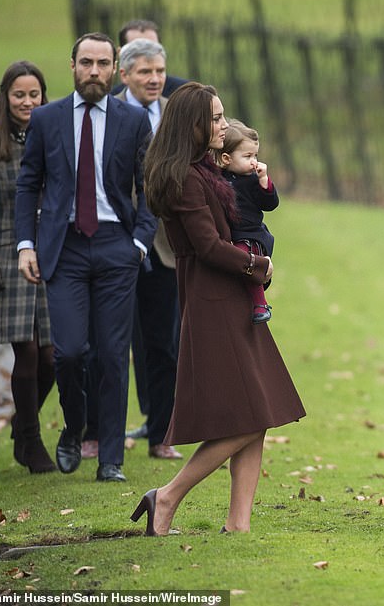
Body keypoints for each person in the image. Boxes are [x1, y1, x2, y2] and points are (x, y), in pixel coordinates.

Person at [130, 82, 305, 535]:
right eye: (216, 118)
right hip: (213, 298)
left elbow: (250, 208)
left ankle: (238, 524)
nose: (224, 125)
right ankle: (166, 497)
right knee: (253, 412)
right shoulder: (184, 178)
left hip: (234, 293)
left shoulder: (205, 168)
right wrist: (256, 264)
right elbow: (207, 246)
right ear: (193, 125)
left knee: (258, 411)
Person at [15, 32, 157, 482]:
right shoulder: (47, 119)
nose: (93, 71)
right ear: (72, 66)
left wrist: (139, 241)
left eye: (102, 64)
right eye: (85, 63)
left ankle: (112, 458)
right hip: (65, 249)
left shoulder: (133, 121)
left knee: (114, 355)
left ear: (115, 69)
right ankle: (74, 428)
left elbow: (149, 186)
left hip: (117, 245)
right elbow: (28, 184)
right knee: (70, 352)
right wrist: (25, 244)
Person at [82, 37, 182, 461]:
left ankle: (162, 435)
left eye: (159, 71)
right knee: (105, 343)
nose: (155, 79)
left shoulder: (176, 116)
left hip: (164, 246)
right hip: (115, 242)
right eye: (145, 72)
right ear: (124, 75)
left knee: (164, 343)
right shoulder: (109, 115)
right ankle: (97, 434)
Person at [0, 61, 55, 474]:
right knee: (27, 351)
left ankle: (22, 424)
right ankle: (32, 442)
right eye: (18, 94)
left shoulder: (53, 139)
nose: (26, 101)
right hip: (5, 258)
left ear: (43, 96)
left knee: (54, 356)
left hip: (51, 257)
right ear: (6, 97)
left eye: (33, 94)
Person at [216, 118, 278, 323]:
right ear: (226, 158)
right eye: (248, 156)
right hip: (231, 232)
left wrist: (264, 182)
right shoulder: (218, 178)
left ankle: (260, 303)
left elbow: (270, 204)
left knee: (246, 260)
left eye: (256, 155)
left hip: (250, 234)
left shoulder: (253, 180)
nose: (254, 161)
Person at [112, 19, 187, 99]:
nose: (148, 53)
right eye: (137, 48)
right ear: (121, 53)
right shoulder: (109, 101)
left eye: (153, 48)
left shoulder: (185, 94)